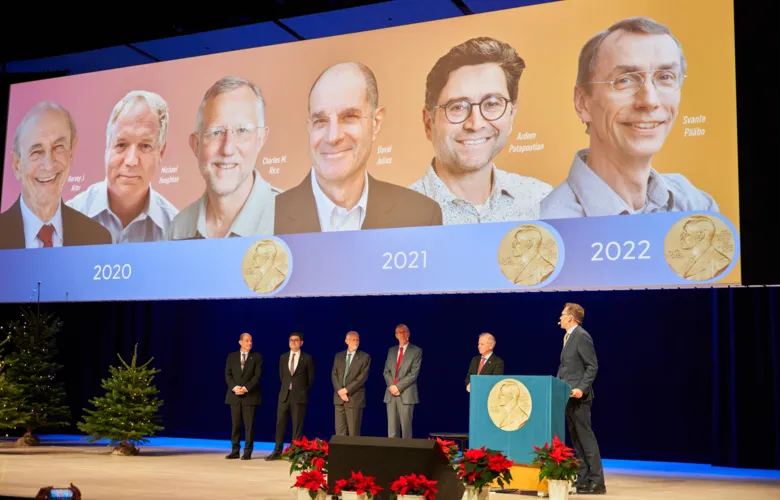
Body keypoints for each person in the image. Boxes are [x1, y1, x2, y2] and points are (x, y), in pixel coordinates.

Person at [541, 17, 718, 219]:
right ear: (583, 103)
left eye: (665, 77)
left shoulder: (695, 204)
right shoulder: (548, 229)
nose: (650, 101)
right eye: (624, 80)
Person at [274, 62, 443, 234]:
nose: (333, 137)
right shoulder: (266, 219)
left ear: (376, 122)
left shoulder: (419, 218)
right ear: (310, 127)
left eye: (348, 117)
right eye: (321, 121)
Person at [411, 37, 552, 223]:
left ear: (511, 115)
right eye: (457, 107)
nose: (475, 124)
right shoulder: (397, 217)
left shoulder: (542, 200)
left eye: (492, 103)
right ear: (428, 123)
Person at [167, 76, 280, 240]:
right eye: (215, 132)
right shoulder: (177, 230)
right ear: (195, 145)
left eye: (242, 130)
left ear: (261, 139)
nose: (227, 149)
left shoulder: (296, 220)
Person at [67, 90, 178, 243]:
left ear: (161, 152)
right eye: (121, 145)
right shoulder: (68, 221)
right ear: (107, 146)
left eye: (145, 146)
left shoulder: (178, 232)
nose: (131, 160)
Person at [0, 102, 111, 249]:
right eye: (37, 152)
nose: (49, 165)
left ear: (71, 151)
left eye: (59, 147)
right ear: (17, 165)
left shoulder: (98, 239)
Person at [557, 303, 606, 494]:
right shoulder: (568, 337)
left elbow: (592, 366)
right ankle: (583, 479)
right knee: (576, 440)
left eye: (562, 315)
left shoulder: (581, 336)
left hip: (580, 397)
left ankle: (597, 482)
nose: (559, 318)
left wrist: (582, 388)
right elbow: (566, 367)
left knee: (586, 439)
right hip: (568, 396)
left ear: (570, 318)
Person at [266, 332, 314, 460]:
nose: (293, 342)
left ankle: (295, 453)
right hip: (284, 395)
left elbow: (310, 379)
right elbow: (282, 376)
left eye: (296, 340)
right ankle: (277, 451)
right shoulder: (283, 357)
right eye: (291, 340)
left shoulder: (307, 358)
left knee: (297, 425)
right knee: (280, 424)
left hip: (299, 396)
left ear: (301, 342)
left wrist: (300, 390)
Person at [224, 333, 263, 460]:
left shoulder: (257, 357)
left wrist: (246, 388)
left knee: (249, 426)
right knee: (235, 425)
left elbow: (257, 376)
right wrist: (234, 387)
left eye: (251, 341)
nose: (249, 343)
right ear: (240, 342)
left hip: (250, 396)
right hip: (234, 396)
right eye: (247, 341)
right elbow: (228, 375)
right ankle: (235, 451)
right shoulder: (232, 357)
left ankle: (247, 451)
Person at [383, 324, 422, 439]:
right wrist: (392, 386)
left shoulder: (416, 350)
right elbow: (386, 371)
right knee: (392, 430)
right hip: (390, 394)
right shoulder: (391, 350)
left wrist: (398, 387)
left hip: (406, 394)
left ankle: (407, 454)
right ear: (396, 335)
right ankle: (393, 455)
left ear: (408, 333)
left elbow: (414, 373)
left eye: (404, 332)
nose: (402, 334)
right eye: (399, 332)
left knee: (406, 429)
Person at [331, 331, 371, 436]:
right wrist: (340, 391)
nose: (356, 342)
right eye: (354, 339)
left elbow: (362, 377)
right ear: (346, 341)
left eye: (358, 339)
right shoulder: (338, 356)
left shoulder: (364, 357)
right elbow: (334, 375)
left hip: (354, 399)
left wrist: (346, 390)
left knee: (353, 433)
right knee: (340, 433)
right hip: (339, 399)